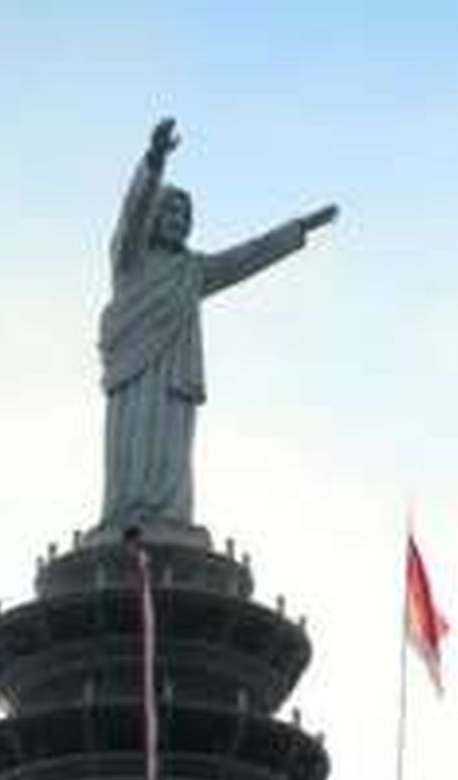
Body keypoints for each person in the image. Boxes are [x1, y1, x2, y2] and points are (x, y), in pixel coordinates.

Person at [93, 118, 337, 546]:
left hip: (174, 379)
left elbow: (248, 257)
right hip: (134, 374)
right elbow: (130, 214)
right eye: (169, 211)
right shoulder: (129, 260)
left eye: (184, 215)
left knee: (172, 453)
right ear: (154, 218)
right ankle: (125, 517)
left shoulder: (193, 271)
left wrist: (298, 230)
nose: (177, 220)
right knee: (131, 451)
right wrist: (153, 163)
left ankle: (170, 518)